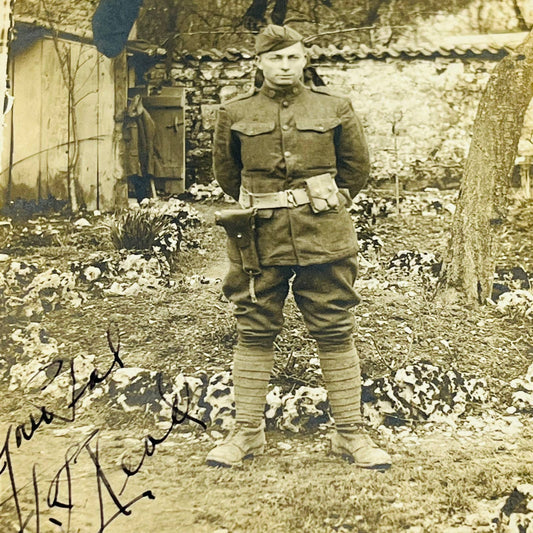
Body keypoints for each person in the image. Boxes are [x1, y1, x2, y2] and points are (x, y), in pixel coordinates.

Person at [208, 24, 391, 470]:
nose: (284, 66)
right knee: (253, 327)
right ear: (260, 63)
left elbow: (356, 170)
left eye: (291, 57)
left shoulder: (335, 107)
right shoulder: (234, 112)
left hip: (323, 236)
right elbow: (226, 174)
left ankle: (349, 434)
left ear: (304, 59)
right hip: (257, 237)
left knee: (334, 327)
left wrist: (325, 203)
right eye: (275, 58)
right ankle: (247, 434)